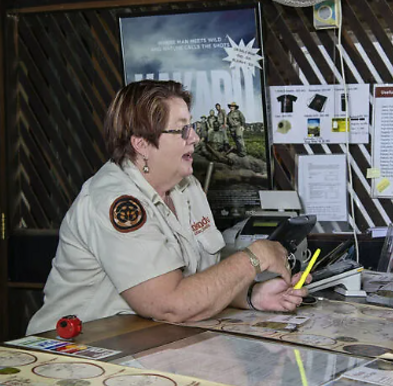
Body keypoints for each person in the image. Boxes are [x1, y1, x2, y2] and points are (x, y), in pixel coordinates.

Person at [26, 80, 307, 335]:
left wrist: (252, 295)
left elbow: (202, 282)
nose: (195, 137)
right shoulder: (116, 202)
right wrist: (254, 257)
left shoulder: (188, 187)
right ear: (142, 144)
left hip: (141, 345)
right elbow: (171, 304)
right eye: (182, 129)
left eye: (192, 127)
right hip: (77, 354)